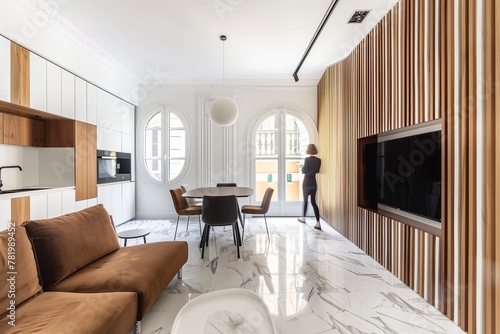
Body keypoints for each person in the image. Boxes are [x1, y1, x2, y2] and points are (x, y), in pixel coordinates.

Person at [298, 143, 322, 230]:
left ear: (308, 150)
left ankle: (303, 218)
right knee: (313, 202)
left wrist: (302, 169)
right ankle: (318, 223)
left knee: (305, 201)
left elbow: (305, 170)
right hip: (313, 182)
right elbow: (318, 171)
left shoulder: (307, 159)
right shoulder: (319, 160)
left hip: (307, 181)